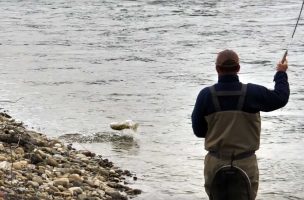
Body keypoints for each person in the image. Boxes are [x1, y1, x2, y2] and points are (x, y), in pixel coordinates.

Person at [191, 49, 289, 200]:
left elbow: (198, 131)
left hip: (215, 162)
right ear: (238, 68)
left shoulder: (206, 95)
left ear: (217, 69)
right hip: (246, 162)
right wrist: (281, 73)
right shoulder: (253, 93)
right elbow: (281, 98)